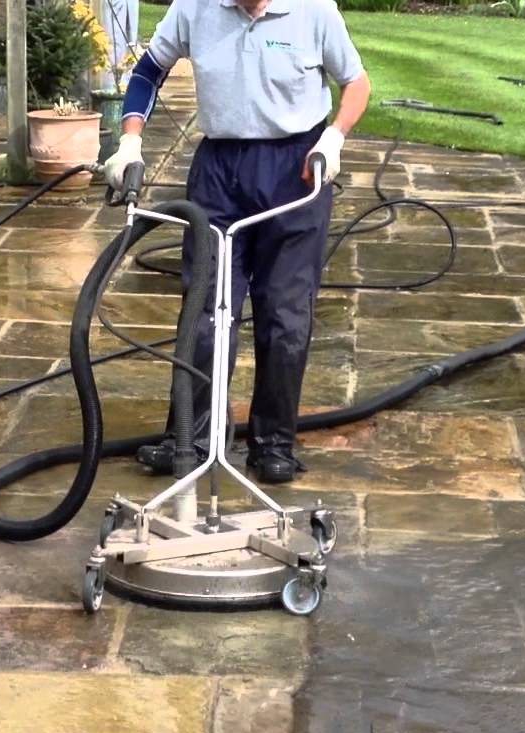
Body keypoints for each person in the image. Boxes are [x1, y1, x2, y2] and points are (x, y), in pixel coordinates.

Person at [102, 0, 372, 484]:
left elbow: (356, 82)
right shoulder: (195, 8)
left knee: (284, 313)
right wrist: (130, 142)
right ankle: (192, 437)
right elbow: (148, 70)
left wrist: (334, 138)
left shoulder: (314, 11)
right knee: (206, 308)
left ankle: (273, 444)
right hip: (220, 170)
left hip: (295, 167)